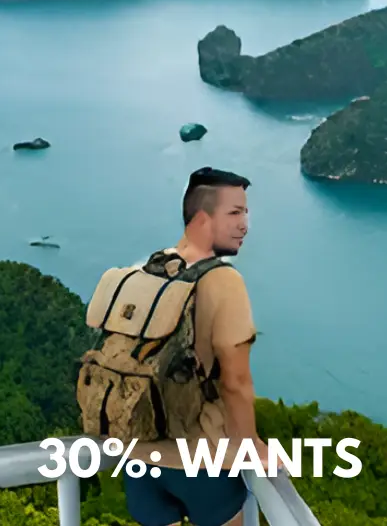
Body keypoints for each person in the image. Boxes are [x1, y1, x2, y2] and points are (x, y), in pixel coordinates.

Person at [121, 166, 267, 526]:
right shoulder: (223, 281)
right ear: (202, 219)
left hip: (139, 457)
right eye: (234, 213)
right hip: (199, 464)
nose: (245, 224)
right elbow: (235, 382)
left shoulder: (149, 268)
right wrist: (251, 446)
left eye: (246, 212)